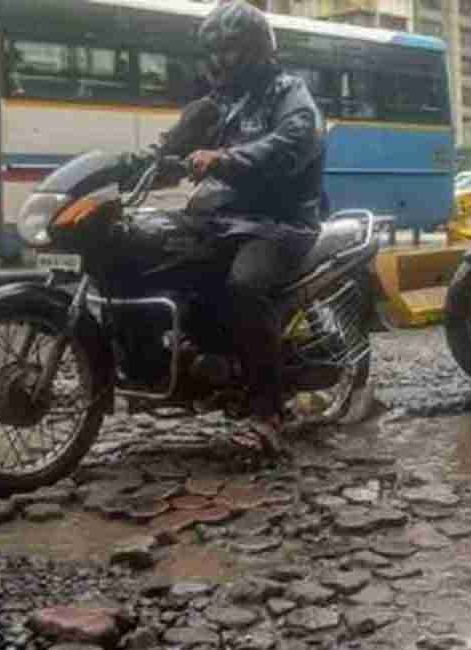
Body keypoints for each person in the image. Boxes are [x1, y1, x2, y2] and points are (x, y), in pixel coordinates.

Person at [158, 1, 326, 455]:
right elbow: (175, 143)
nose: (217, 61)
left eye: (227, 51)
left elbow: (292, 141)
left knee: (244, 285)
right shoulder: (219, 104)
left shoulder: (289, 92)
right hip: (227, 218)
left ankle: (267, 410)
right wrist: (148, 160)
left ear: (252, 50)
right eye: (212, 52)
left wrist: (226, 159)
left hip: (281, 222)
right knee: (169, 259)